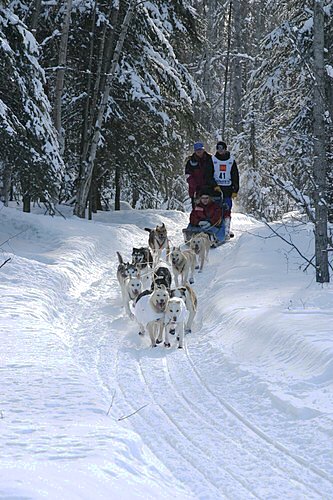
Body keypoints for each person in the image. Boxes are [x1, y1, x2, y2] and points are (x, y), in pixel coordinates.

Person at [211, 141, 239, 239]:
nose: (220, 151)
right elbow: (209, 174)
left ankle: (226, 230)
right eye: (218, 148)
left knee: (227, 210)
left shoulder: (231, 160)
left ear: (225, 149)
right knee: (215, 209)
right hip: (216, 189)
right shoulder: (213, 159)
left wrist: (235, 190)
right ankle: (215, 229)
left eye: (222, 148)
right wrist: (214, 185)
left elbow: (235, 175)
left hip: (228, 189)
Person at [185, 142, 216, 208]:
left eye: (200, 150)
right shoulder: (190, 162)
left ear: (203, 150)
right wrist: (195, 186)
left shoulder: (211, 159)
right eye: (197, 150)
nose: (199, 151)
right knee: (197, 210)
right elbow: (188, 176)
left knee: (211, 208)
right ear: (195, 151)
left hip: (210, 189)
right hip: (196, 190)